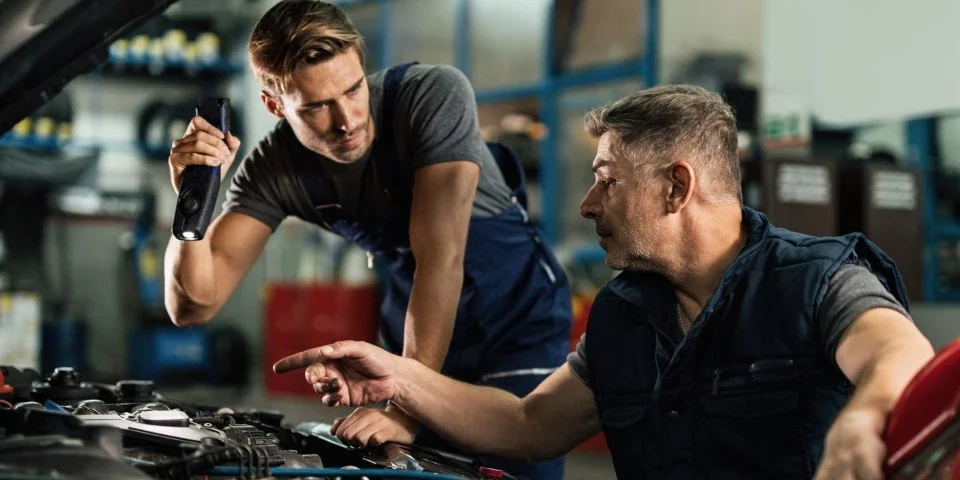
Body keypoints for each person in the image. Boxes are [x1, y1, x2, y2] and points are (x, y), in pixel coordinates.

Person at [272, 84, 938, 480]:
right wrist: (399, 376)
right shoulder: (625, 315)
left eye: (607, 180)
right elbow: (530, 423)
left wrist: (866, 417)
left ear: (676, 186)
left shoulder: (814, 280)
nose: (589, 204)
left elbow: (898, 353)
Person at [162, 1, 571, 478]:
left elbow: (440, 257)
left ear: (363, 64)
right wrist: (193, 195)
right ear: (274, 105)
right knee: (413, 471)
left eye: (354, 89)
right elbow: (193, 306)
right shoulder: (273, 170)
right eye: (316, 107)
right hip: (415, 329)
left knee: (514, 467)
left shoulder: (430, 97)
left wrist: (406, 406)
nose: (347, 120)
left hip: (514, 321)